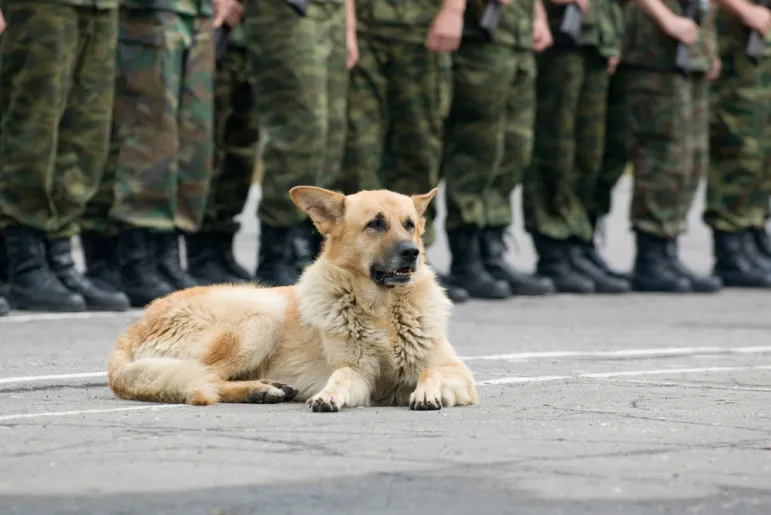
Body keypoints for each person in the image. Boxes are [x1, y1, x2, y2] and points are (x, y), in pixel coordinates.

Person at [99, 0, 240, 308]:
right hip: (154, 9)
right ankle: (138, 257)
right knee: (152, 133)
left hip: (196, 10)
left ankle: (166, 254)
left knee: (193, 139)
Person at [338, 0, 473, 302]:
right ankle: (358, 260)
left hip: (420, 27)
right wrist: (346, 28)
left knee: (419, 145)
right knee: (360, 146)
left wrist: (454, 9)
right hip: (363, 26)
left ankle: (413, 255)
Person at [0, 0, 129, 312]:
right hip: (42, 7)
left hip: (100, 7)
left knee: (85, 134)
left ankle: (57, 254)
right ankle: (23, 260)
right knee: (33, 127)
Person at [440, 0, 556, 299]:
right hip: (482, 37)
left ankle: (491, 250)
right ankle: (467, 256)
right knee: (477, 149)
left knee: (512, 150)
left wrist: (537, 15)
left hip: (515, 35)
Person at [522, 0, 631, 294]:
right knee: (555, 147)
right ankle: (554, 247)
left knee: (588, 152)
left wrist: (608, 38)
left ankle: (577, 242)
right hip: (561, 35)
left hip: (593, 35)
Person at [244, 0, 353, 287]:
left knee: (331, 132)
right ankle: (278, 250)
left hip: (333, 12)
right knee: (301, 129)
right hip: (287, 11)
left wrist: (348, 28)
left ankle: (308, 243)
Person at [620, 0, 722, 293]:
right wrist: (665, 18)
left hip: (690, 50)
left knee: (690, 155)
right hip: (655, 52)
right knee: (663, 152)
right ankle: (651, 254)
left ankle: (667, 248)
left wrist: (707, 46)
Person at [702, 0, 771, 287]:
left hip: (759, 45)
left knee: (762, 149)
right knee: (739, 145)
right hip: (737, 44)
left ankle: (751, 231)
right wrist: (743, 9)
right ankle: (730, 246)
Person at [186, 10, 257, 286]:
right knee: (209, 145)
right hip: (218, 29)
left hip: (249, 34)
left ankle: (220, 244)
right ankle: (200, 251)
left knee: (240, 149)